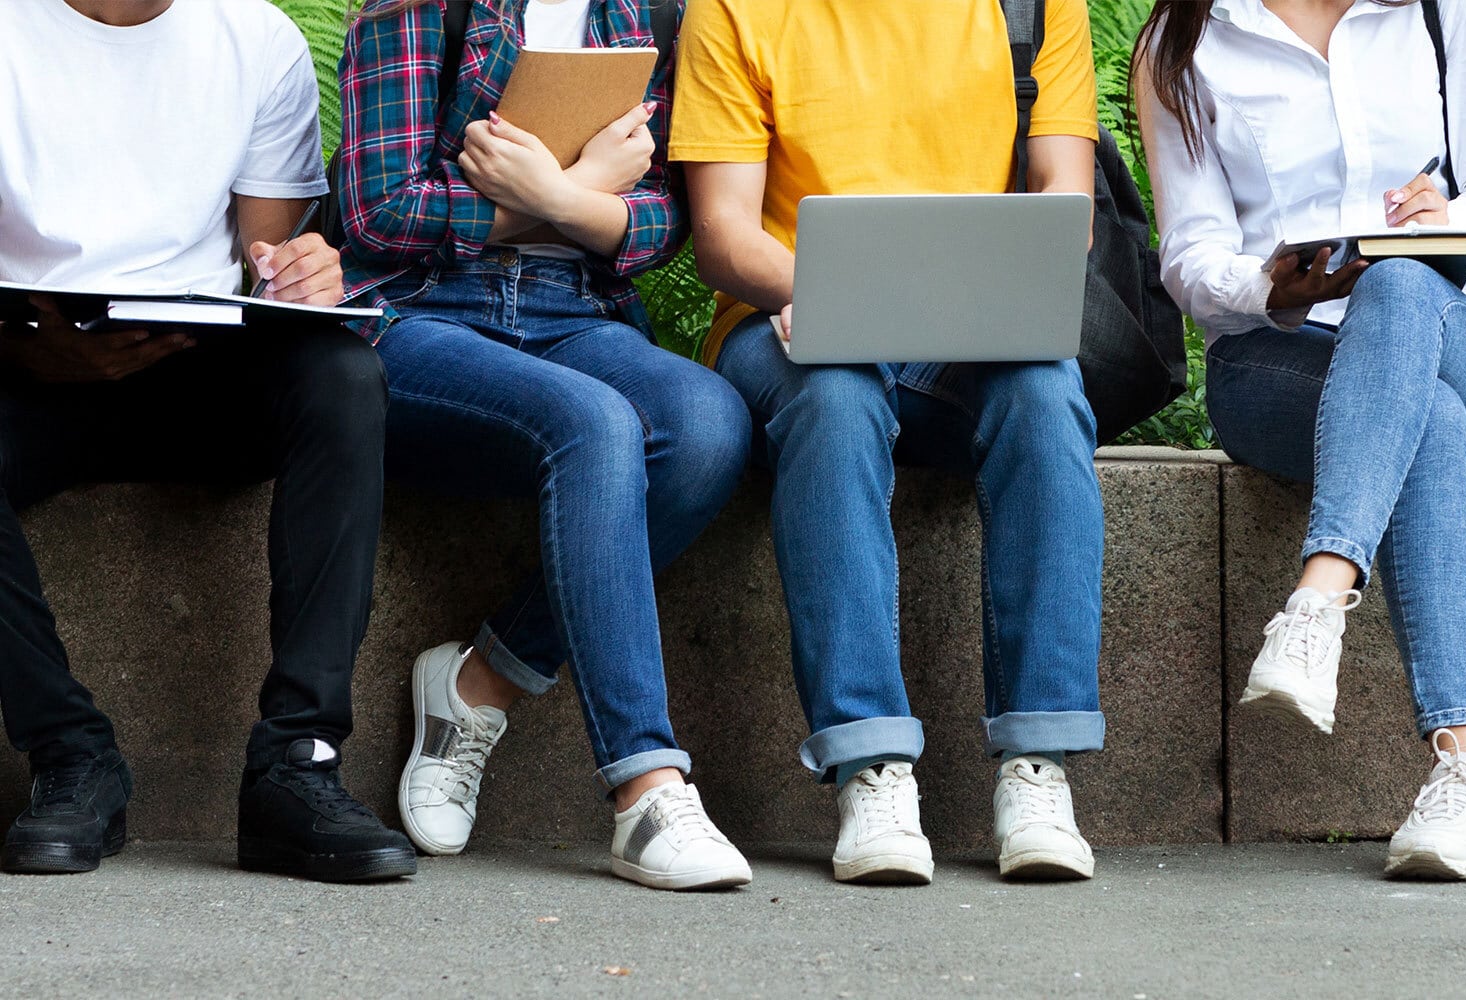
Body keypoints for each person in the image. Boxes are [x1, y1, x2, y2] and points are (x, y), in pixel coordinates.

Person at [671, 0, 1108, 884]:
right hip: (788, 313)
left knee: (1044, 391)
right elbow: (721, 233)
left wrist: (986, 297)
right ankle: (871, 767)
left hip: (970, 325)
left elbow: (1068, 202)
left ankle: (1039, 768)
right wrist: (830, 295)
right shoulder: (734, 9)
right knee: (833, 398)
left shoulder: (1034, 4)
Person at [337, 0, 756, 891]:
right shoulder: (416, 8)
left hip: (578, 316)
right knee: (596, 421)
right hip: (420, 313)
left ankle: (480, 682)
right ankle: (647, 788)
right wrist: (570, 198)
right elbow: (380, 213)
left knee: (709, 425)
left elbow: (657, 229)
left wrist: (559, 195)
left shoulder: (649, 13)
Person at [0, 0, 412, 881]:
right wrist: (35, 346)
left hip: (200, 363)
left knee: (343, 376)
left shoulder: (254, 36)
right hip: (28, 365)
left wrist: (305, 269)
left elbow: (267, 253)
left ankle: (296, 765)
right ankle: (72, 759)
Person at [1138, 0, 1466, 880]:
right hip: (1280, 355)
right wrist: (1271, 283)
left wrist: (1446, 212)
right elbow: (1191, 255)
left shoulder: (1441, 9)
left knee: (1394, 285)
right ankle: (1465, 774)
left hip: (1452, 324)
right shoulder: (1184, 39)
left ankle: (1316, 600)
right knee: (1420, 420)